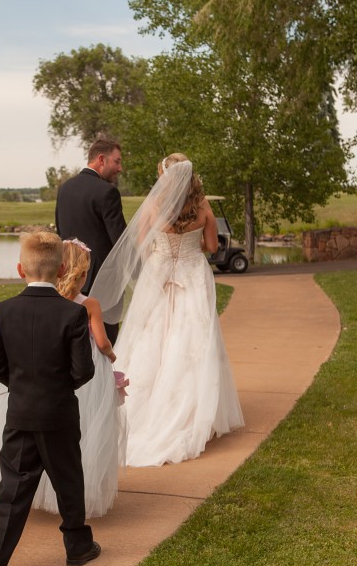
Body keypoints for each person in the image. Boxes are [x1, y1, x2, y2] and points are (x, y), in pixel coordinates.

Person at [0, 238, 126, 519]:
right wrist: (111, 356)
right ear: (73, 270)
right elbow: (101, 343)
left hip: (29, 380)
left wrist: (18, 381)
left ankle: (34, 496)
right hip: (71, 380)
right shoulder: (86, 304)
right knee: (79, 439)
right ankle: (72, 514)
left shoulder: (21, 305)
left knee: (26, 447)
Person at [90, 153, 244, 468]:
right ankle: (193, 410)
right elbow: (213, 247)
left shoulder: (154, 207)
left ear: (164, 176)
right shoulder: (203, 208)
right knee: (193, 337)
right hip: (191, 272)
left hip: (158, 274)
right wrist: (190, 247)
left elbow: (142, 244)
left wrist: (163, 251)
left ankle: (137, 408)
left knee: (150, 334)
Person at [0, 230, 99, 566]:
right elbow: (83, 370)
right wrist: (56, 387)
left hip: (20, 413)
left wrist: (22, 386)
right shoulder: (71, 314)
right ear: (62, 270)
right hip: (58, 412)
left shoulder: (3, 311)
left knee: (12, 487)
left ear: (20, 269)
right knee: (68, 480)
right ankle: (77, 548)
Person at [55, 136, 127, 344]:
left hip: (67, 279)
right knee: (104, 339)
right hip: (102, 282)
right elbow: (121, 243)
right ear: (102, 159)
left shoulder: (65, 188)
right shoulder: (107, 192)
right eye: (117, 161)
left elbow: (61, 233)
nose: (120, 168)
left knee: (73, 340)